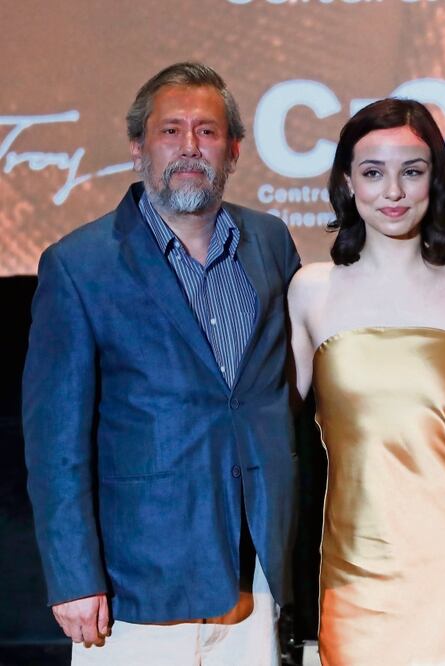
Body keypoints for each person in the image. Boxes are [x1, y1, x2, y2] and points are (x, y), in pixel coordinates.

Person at [22, 62, 300, 665]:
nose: (190, 147)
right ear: (138, 147)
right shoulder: (79, 265)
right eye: (170, 131)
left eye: (207, 131)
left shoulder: (272, 243)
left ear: (233, 150)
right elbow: (55, 445)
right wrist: (73, 577)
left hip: (255, 575)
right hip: (135, 588)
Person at [287, 98, 445, 665]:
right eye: (373, 173)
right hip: (357, 564)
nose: (393, 191)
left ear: (436, 180)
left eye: (413, 171)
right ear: (348, 183)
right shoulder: (311, 290)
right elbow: (271, 424)